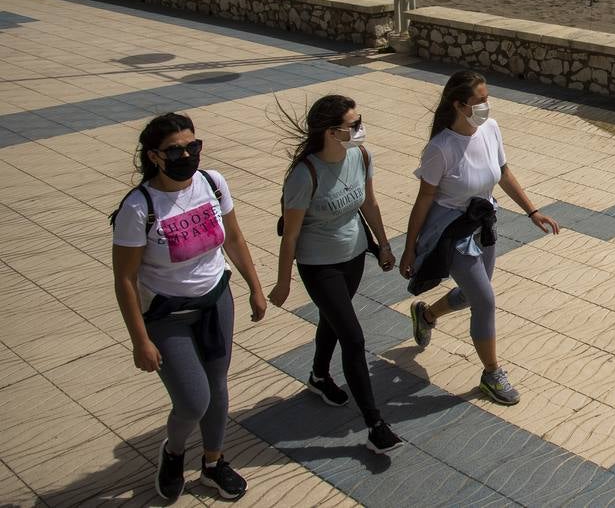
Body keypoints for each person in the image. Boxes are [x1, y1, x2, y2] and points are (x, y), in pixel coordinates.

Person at [111, 113, 266, 502]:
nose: (186, 155)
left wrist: (255, 287)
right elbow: (125, 279)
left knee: (217, 388)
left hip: (216, 301)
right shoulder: (138, 208)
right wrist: (139, 340)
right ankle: (174, 451)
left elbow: (234, 238)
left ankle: (213, 463)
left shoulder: (212, 183)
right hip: (167, 314)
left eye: (192, 146)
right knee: (193, 400)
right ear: (154, 156)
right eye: (175, 150)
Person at [401, 71, 561, 406]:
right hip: (452, 233)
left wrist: (533, 212)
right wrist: (409, 249)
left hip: (483, 223)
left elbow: (502, 173)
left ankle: (427, 315)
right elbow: (424, 200)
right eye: (480, 101)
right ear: (459, 105)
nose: (486, 106)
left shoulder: (491, 129)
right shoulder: (440, 149)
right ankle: (491, 374)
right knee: (485, 300)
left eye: (487, 99)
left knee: (478, 293)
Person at [269, 96, 404, 454]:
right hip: (319, 265)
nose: (360, 129)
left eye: (360, 121)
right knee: (354, 338)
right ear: (331, 132)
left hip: (354, 255)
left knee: (333, 319)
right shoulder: (304, 174)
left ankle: (317, 375)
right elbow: (292, 234)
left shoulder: (361, 156)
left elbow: (370, 203)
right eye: (353, 124)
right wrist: (283, 281)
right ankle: (375, 424)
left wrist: (384, 245)